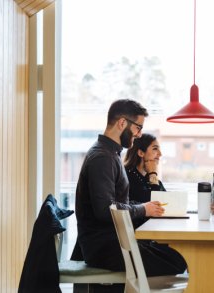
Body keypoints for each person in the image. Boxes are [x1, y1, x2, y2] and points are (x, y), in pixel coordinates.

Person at [75, 99, 186, 280]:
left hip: (113, 243)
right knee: (181, 257)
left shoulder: (110, 154)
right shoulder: (102, 158)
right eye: (138, 128)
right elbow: (105, 210)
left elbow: (117, 204)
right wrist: (143, 209)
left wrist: (145, 206)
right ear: (122, 123)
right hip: (105, 249)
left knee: (178, 252)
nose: (139, 134)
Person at [124, 133, 165, 227]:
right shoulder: (127, 176)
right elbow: (155, 203)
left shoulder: (148, 176)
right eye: (155, 149)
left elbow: (165, 201)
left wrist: (152, 174)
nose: (160, 154)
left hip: (152, 229)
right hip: (139, 234)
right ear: (141, 153)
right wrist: (153, 174)